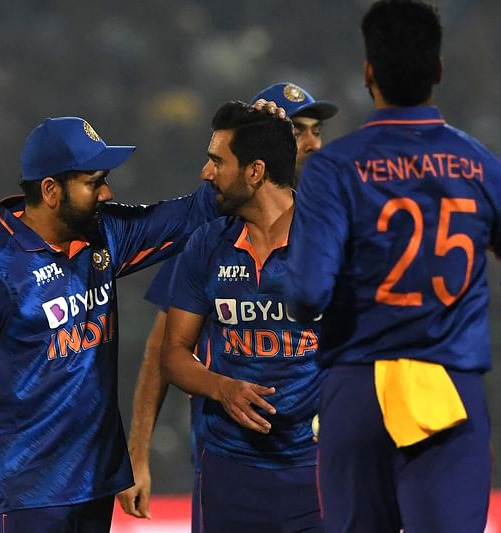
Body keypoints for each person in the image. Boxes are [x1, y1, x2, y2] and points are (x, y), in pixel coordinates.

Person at [0, 108, 289, 533]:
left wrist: (259, 133)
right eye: (93, 183)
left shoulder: (104, 235)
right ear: (51, 190)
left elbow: (196, 213)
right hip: (26, 495)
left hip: (95, 485)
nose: (108, 192)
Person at [285, 1, 501, 531]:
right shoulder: (484, 166)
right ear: (438, 71)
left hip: (355, 392)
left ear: (368, 72)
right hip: (445, 391)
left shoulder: (334, 168)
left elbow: (306, 293)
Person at [118, 83, 337, 529]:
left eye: (315, 131)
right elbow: (169, 350)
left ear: (255, 170)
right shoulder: (206, 240)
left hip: (318, 469)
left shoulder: (336, 236)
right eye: (299, 131)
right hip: (227, 469)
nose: (312, 143)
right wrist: (220, 390)